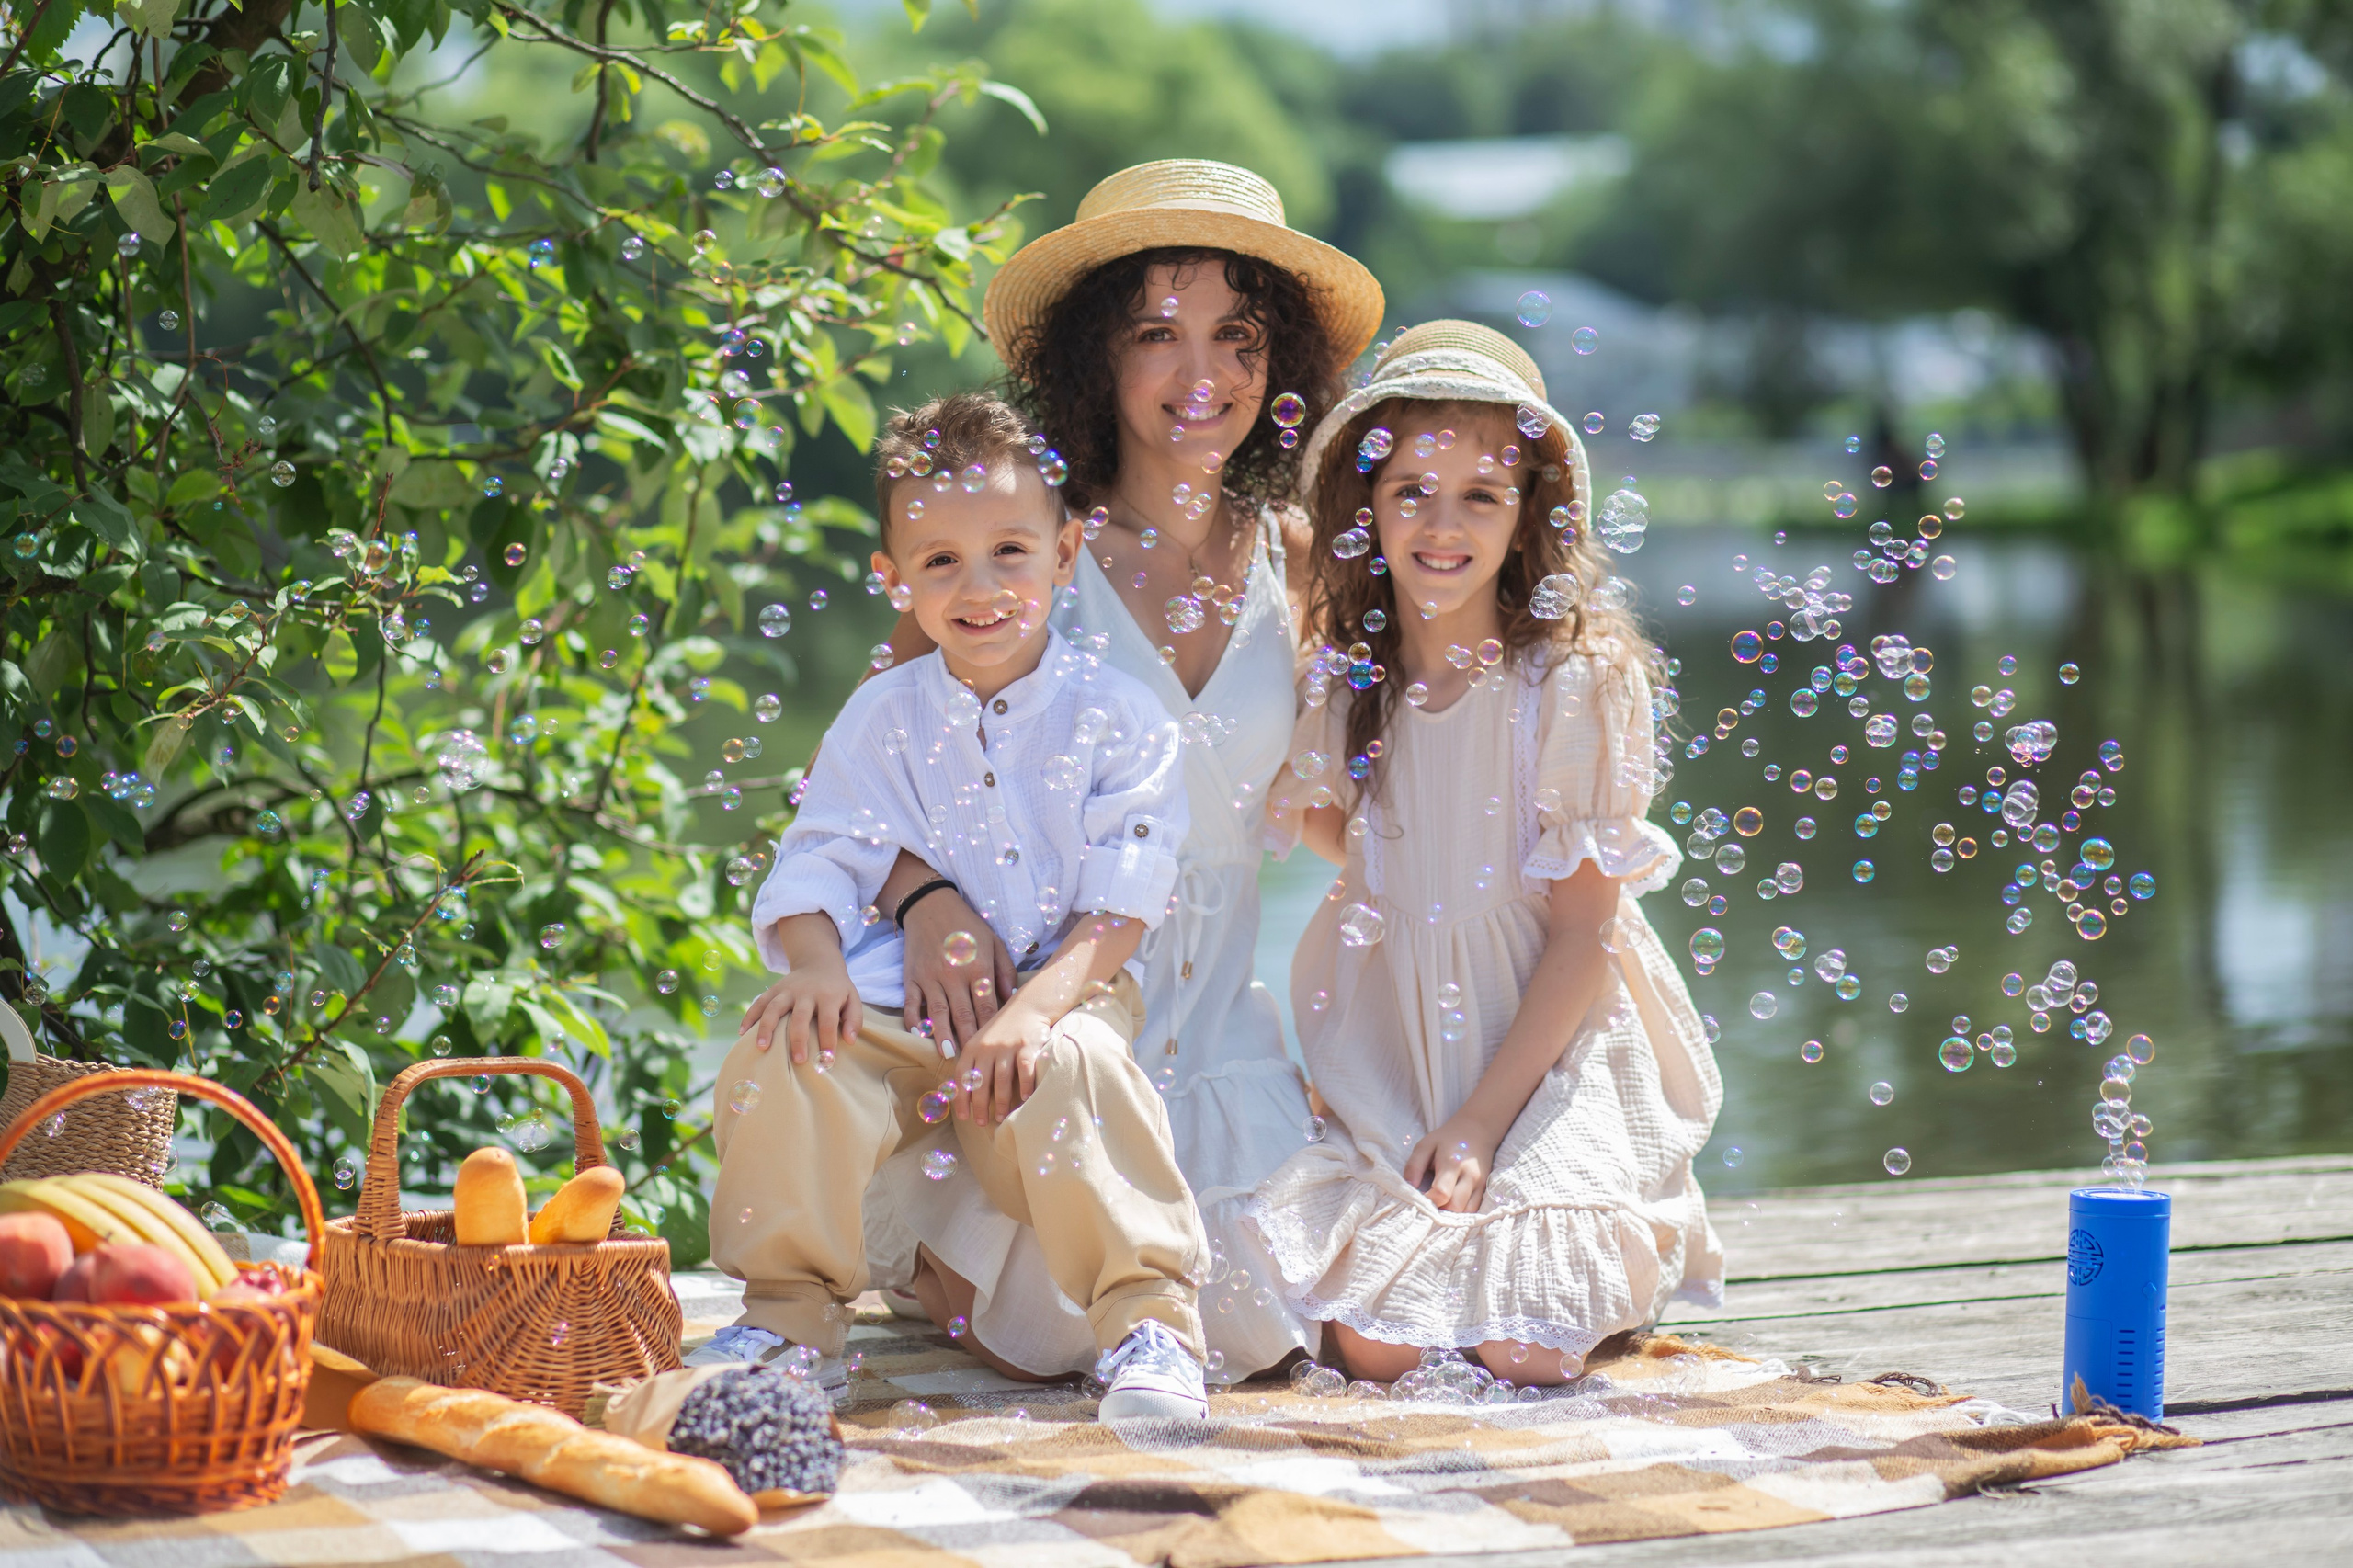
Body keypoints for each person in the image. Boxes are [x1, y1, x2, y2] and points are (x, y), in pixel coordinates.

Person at [868, 161, 1385, 1381]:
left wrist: (1520, 885)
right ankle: (933, 1226)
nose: (1203, 373)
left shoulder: (1297, 556)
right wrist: (925, 900)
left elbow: (1327, 812)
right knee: (1051, 1332)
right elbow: (854, 794)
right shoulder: (1020, 551)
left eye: (1237, 336)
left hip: (1219, 1033)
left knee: (1288, 1329)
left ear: (1278, 362)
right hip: (1048, 1021)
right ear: (1095, 358)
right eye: (1158, 333)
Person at [701, 392, 1212, 1420]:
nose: (979, 588)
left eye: (1010, 552)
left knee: (1080, 1063)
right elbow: (819, 856)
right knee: (788, 1043)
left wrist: (1032, 1013)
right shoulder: (881, 716)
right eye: (939, 561)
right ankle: (792, 1319)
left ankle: (1144, 1321)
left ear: (1064, 553)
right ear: (893, 578)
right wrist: (815, 966)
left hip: (1060, 992)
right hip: (901, 1008)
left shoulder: (1119, 717)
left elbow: (1124, 901)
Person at [1246, 321, 1722, 1387]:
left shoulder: (1570, 681)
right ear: (1366, 505)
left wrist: (1476, 1123)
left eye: (1481, 494)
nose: (1442, 524)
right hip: (1403, 1044)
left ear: (1528, 512)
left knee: (1525, 1340)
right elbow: (1349, 839)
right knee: (1376, 1342)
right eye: (1411, 490)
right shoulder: (1353, 684)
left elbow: (1584, 934)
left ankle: (1572, 1231)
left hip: (1547, 1048)